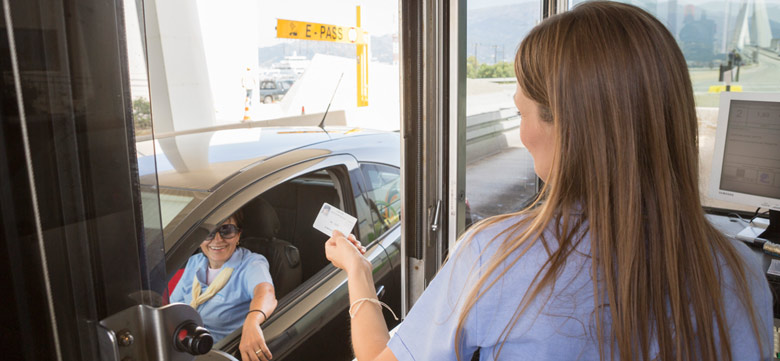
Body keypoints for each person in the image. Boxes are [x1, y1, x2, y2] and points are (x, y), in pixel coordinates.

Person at [324, 2, 773, 361]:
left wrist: (359, 273)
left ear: (566, 125)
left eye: (522, 113)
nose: (521, 133)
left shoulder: (496, 256)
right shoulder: (740, 271)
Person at [170, 210, 277, 361]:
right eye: (209, 232)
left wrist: (252, 322)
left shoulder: (251, 264)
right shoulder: (194, 262)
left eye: (227, 230)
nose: (217, 239)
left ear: (238, 235)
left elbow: (266, 293)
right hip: (183, 349)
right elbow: (174, 308)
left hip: (217, 354)